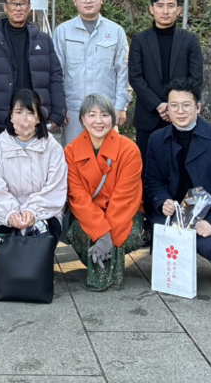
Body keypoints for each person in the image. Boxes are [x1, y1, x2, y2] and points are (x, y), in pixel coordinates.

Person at [145, 78, 211, 287]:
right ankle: (177, 262)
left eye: (186, 105)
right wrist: (162, 201)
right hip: (176, 211)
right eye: (174, 106)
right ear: (167, 110)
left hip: (210, 212)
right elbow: (152, 179)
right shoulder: (157, 139)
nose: (180, 111)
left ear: (198, 107)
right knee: (156, 232)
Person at [128, 0, 202, 238]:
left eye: (170, 6)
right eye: (160, 6)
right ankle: (151, 222)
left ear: (178, 10)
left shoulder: (189, 41)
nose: (165, 11)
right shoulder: (140, 40)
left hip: (181, 118)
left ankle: (184, 221)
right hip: (149, 117)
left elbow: (195, 79)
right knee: (149, 172)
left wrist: (175, 107)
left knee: (184, 168)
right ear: (151, 9)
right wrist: (159, 105)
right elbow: (135, 77)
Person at [64, 93, 144, 292]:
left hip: (124, 213)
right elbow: (78, 198)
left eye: (105, 115)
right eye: (92, 115)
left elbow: (124, 200)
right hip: (89, 213)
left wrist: (106, 236)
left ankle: (101, 271)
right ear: (82, 119)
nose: (98, 121)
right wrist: (101, 233)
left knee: (121, 235)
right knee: (83, 232)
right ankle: (102, 262)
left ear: (113, 119)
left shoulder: (129, 150)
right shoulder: (71, 151)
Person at [0, 0, 65, 136]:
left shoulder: (43, 40)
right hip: (2, 116)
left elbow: (55, 76)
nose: (18, 8)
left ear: (29, 7)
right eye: (13, 3)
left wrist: (58, 113)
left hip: (37, 115)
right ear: (5, 7)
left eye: (22, 3)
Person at [53, 0, 130, 145]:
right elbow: (57, 74)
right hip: (74, 111)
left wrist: (120, 107)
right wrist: (60, 108)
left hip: (106, 111)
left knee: (108, 157)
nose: (88, 1)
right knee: (74, 156)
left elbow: (123, 71)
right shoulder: (62, 31)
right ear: (75, 1)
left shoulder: (116, 31)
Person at [0, 89, 67, 237]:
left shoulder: (52, 147)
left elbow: (56, 188)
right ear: (11, 116)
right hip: (5, 215)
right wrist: (11, 213)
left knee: (39, 242)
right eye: (18, 112)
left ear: (38, 118)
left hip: (44, 212)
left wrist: (32, 211)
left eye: (30, 113)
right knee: (8, 245)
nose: (24, 119)